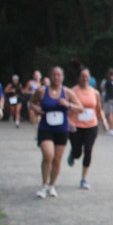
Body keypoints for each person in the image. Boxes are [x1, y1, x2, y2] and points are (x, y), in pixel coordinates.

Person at [29, 66, 84, 198]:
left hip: (61, 129)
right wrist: (36, 109)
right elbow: (32, 103)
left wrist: (68, 105)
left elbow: (80, 108)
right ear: (50, 76)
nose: (56, 77)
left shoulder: (67, 92)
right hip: (45, 128)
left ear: (63, 77)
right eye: (54, 75)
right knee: (48, 155)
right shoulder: (42, 91)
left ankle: (52, 185)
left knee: (57, 160)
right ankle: (44, 185)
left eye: (59, 75)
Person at [68, 67, 108, 190]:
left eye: (87, 76)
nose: (85, 79)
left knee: (88, 150)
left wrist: (104, 121)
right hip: (76, 125)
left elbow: (99, 109)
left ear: (90, 78)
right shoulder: (72, 91)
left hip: (91, 125)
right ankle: (73, 153)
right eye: (82, 76)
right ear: (78, 78)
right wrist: (69, 121)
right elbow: (66, 108)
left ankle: (84, 179)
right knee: (77, 152)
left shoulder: (95, 92)